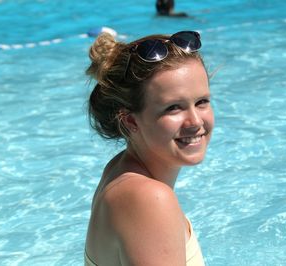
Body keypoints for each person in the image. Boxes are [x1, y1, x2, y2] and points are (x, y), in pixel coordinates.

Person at [84, 30, 214, 265]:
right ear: (130, 121)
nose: (195, 121)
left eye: (201, 102)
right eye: (173, 107)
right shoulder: (149, 199)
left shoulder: (120, 171)